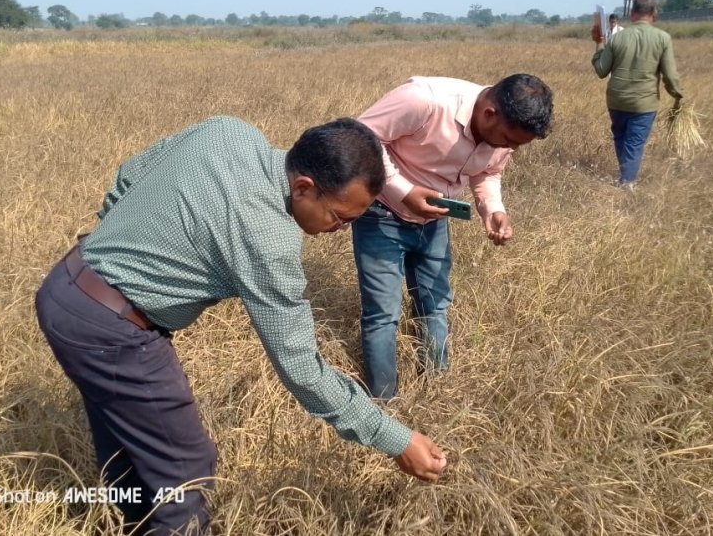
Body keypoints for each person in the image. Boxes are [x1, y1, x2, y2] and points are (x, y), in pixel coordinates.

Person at [35, 116, 447, 536]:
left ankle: (135, 525)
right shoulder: (267, 238)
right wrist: (394, 438)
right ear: (304, 187)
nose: (341, 230)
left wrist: (118, 246)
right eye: (339, 217)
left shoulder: (229, 131)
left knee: (129, 448)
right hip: (111, 328)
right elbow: (303, 371)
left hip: (67, 285)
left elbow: (131, 173)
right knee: (184, 470)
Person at [352, 74, 554, 399]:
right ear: (489, 113)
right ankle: (384, 408)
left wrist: (493, 210)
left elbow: (489, 172)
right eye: (507, 140)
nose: (510, 148)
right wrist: (402, 191)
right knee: (383, 314)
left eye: (516, 145)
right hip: (381, 213)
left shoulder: (503, 133)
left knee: (434, 306)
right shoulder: (424, 100)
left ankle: (435, 394)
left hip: (434, 220)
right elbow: (360, 138)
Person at [592, 0, 684, 189]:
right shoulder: (662, 38)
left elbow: (601, 70)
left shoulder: (617, 39)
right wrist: (678, 96)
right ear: (654, 14)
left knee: (620, 137)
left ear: (632, 13)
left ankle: (625, 175)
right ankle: (627, 183)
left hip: (616, 101)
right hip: (644, 103)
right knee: (634, 143)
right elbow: (670, 75)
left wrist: (599, 43)